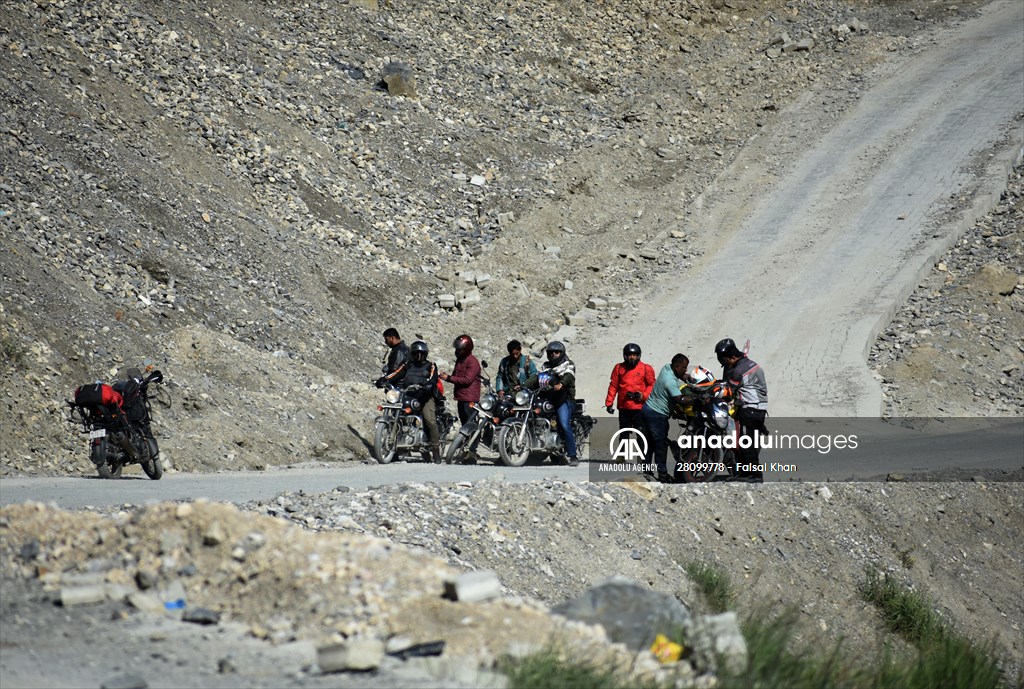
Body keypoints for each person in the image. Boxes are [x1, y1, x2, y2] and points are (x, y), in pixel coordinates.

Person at [375, 340, 442, 463]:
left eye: (421, 354)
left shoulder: (431, 365)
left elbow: (433, 378)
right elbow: (396, 374)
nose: (419, 356)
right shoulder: (408, 364)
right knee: (398, 414)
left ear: (425, 354)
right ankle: (395, 449)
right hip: (408, 394)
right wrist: (384, 379)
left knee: (430, 421)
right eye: (416, 353)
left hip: (425, 396)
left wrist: (428, 385)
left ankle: (436, 449)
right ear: (412, 354)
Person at [715, 338, 768, 483]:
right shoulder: (747, 362)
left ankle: (755, 475)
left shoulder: (738, 370)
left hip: (750, 408)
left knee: (745, 443)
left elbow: (728, 392)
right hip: (759, 409)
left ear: (732, 357)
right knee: (747, 442)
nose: (725, 365)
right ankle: (745, 474)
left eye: (725, 361)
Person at [524, 341, 579, 466]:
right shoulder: (546, 366)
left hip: (564, 399)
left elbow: (568, 376)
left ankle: (573, 455)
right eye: (550, 352)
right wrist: (523, 386)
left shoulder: (568, 364)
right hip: (548, 398)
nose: (553, 354)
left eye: (556, 352)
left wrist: (561, 384)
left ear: (562, 353)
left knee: (564, 424)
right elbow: (537, 377)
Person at [641, 353, 690, 483]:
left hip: (647, 409)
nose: (685, 370)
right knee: (660, 445)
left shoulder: (666, 368)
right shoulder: (670, 381)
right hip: (657, 415)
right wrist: (697, 399)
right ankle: (663, 475)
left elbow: (680, 375)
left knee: (649, 443)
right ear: (677, 366)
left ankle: (646, 471)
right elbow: (680, 400)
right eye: (684, 368)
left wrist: (687, 377)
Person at [440, 334, 483, 463]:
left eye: (460, 349)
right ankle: (465, 450)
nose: (457, 351)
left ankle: (472, 451)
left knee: (471, 425)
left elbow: (467, 380)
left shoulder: (472, 362)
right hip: (461, 397)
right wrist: (446, 377)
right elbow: (456, 376)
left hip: (470, 398)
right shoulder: (460, 360)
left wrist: (449, 378)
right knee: (465, 425)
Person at [604, 343, 655, 431]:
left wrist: (642, 395)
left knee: (641, 433)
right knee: (624, 433)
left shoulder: (646, 368)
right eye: (629, 355)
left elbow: (652, 385)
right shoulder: (619, 368)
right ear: (625, 356)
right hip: (624, 407)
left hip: (640, 407)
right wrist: (609, 403)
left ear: (638, 356)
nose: (632, 357)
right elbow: (613, 386)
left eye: (634, 355)